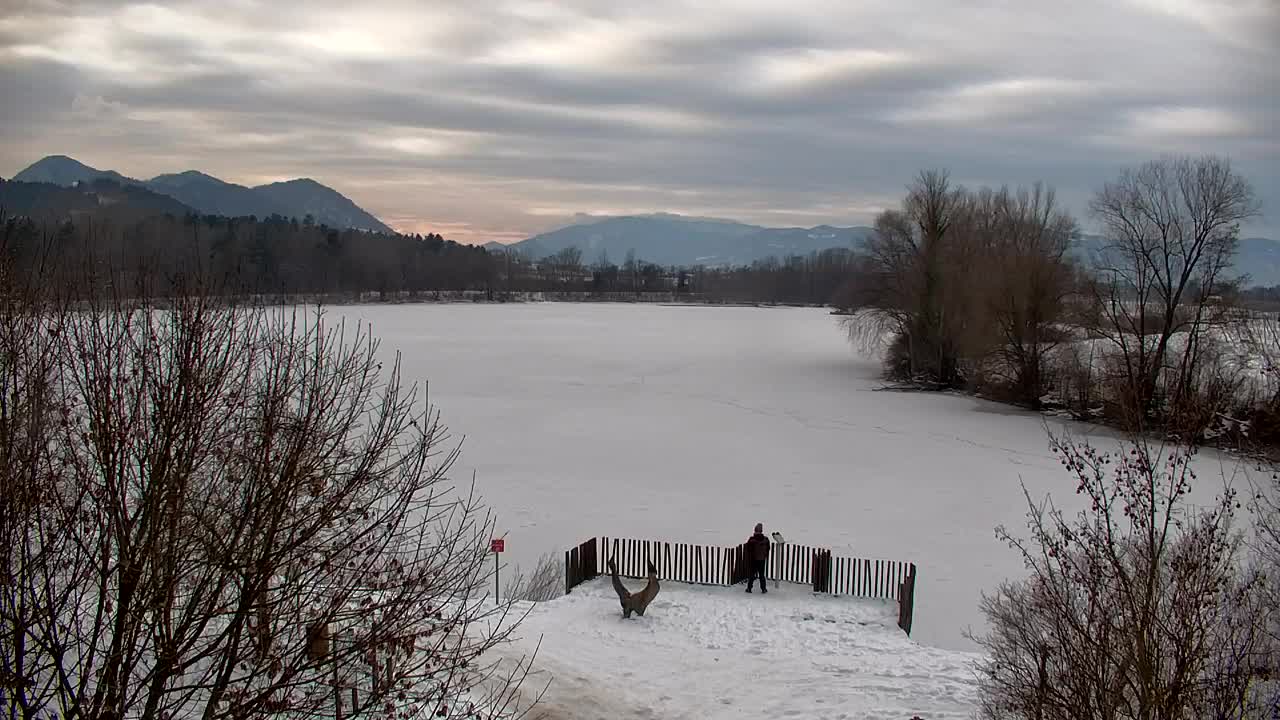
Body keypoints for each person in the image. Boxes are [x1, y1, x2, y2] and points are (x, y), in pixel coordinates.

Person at [744, 522, 770, 593]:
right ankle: (763, 589)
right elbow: (768, 548)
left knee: (752, 575)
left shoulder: (752, 540)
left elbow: (748, 549)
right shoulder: (766, 539)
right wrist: (764, 555)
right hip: (762, 559)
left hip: (754, 559)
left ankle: (749, 588)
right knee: (762, 575)